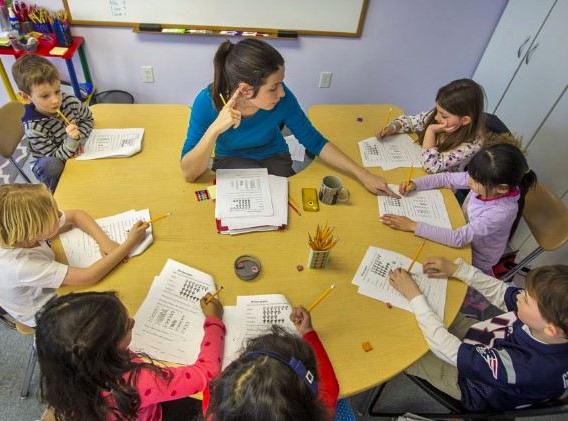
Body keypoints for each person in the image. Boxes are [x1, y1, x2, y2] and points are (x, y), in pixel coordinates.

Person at [180, 38, 395, 197]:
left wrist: (363, 174)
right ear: (245, 90)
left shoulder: (283, 99)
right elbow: (189, 173)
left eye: (281, 83)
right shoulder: (205, 103)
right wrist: (214, 129)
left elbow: (315, 141)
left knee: (283, 207)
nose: (282, 93)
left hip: (274, 155)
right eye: (273, 87)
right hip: (231, 159)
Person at [387, 258, 568, 412]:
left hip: (467, 380)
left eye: (526, 300)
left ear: (550, 329)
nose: (519, 296)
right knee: (425, 308)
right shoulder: (549, 319)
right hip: (482, 339)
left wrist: (414, 295)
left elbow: (447, 349)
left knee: (398, 347)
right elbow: (502, 292)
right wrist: (459, 270)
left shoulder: (526, 368)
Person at [381, 143, 537, 311]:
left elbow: (458, 239)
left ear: (502, 189)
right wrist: (416, 184)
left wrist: (412, 225)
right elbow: (446, 178)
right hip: (462, 232)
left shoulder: (501, 211)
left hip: (476, 257)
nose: (469, 181)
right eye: (470, 174)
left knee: (432, 279)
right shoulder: (483, 179)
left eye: (475, 181)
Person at [35, 290, 225, 421]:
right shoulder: (137, 382)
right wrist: (214, 321)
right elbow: (208, 372)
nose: (133, 322)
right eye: (125, 328)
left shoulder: (65, 373)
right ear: (107, 350)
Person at [0, 183, 148, 327]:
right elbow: (89, 276)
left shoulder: (10, 233)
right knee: (109, 306)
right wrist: (129, 243)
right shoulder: (21, 266)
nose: (60, 216)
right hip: (40, 311)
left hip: (26, 291)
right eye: (55, 217)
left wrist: (103, 240)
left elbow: (76, 215)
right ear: (33, 231)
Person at [203, 305, 339, 420]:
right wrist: (308, 332)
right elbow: (330, 385)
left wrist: (213, 322)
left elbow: (210, 382)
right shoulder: (321, 408)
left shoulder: (216, 410)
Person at [12, 54, 94, 192]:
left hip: (71, 147)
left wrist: (79, 140)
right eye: (45, 96)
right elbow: (55, 157)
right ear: (26, 97)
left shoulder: (69, 102)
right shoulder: (33, 127)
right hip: (49, 161)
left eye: (57, 91)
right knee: (52, 166)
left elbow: (88, 119)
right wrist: (72, 142)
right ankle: (57, 195)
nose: (56, 100)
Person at [376, 79, 485, 174]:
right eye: (437, 110)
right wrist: (392, 128)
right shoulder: (440, 115)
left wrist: (430, 130)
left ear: (465, 120)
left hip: (441, 185)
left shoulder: (472, 143)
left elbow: (431, 167)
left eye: (443, 115)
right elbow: (409, 121)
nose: (437, 117)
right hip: (418, 168)